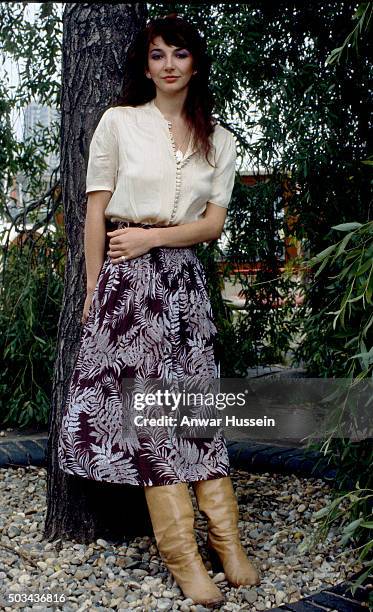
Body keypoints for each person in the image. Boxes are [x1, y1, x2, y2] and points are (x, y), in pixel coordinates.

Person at [57, 13, 260, 608]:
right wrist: (96, 288)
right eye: (157, 55)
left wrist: (154, 239)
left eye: (179, 54)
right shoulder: (118, 123)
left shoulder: (219, 140)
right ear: (145, 66)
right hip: (127, 284)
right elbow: (97, 211)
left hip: (181, 285)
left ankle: (229, 544)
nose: (169, 64)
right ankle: (184, 558)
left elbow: (213, 225)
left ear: (196, 63)